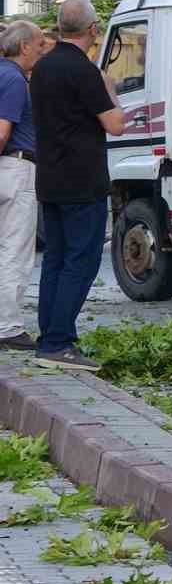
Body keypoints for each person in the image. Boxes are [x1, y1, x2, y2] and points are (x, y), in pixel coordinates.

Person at [31, 0, 126, 372]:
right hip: (82, 178)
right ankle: (59, 342)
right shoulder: (85, 71)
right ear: (92, 30)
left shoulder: (42, 68)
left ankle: (48, 338)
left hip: (50, 177)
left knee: (55, 259)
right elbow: (114, 124)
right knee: (81, 261)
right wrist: (111, 88)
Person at [0, 22, 49, 351]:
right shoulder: (15, 80)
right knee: (15, 250)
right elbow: (3, 131)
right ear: (24, 47)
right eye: (39, 44)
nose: (43, 49)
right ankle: (8, 327)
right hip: (16, 167)